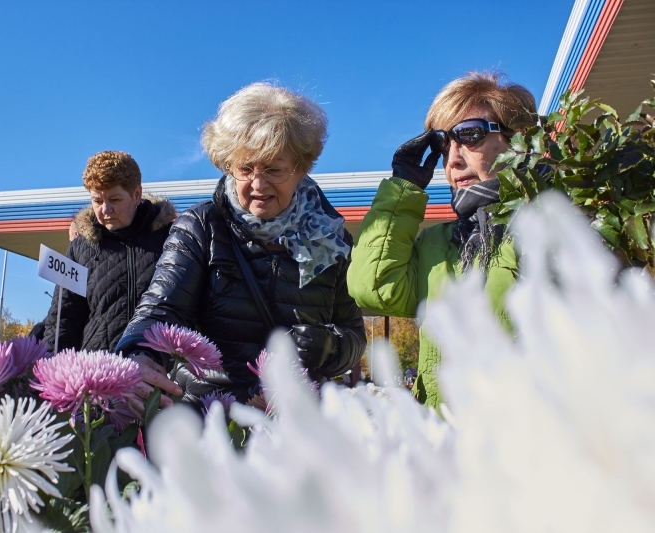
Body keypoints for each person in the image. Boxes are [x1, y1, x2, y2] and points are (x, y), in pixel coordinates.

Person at [117, 82, 367, 415]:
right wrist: (140, 354)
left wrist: (329, 346)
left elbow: (353, 335)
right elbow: (162, 309)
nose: (258, 185)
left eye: (275, 169)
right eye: (245, 169)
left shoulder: (332, 240)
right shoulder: (202, 227)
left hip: (296, 420)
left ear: (302, 167)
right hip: (214, 414)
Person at [348, 71, 536, 408]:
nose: (453, 159)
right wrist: (403, 188)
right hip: (446, 440)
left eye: (469, 135)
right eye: (445, 144)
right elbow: (372, 287)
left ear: (518, 139)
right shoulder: (438, 242)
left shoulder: (551, 225)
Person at [43, 151, 176, 353]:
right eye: (97, 201)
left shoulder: (171, 240)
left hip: (160, 371)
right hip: (98, 373)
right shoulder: (80, 249)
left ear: (136, 195)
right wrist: (52, 372)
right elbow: (63, 318)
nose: (105, 209)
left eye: (114, 199)